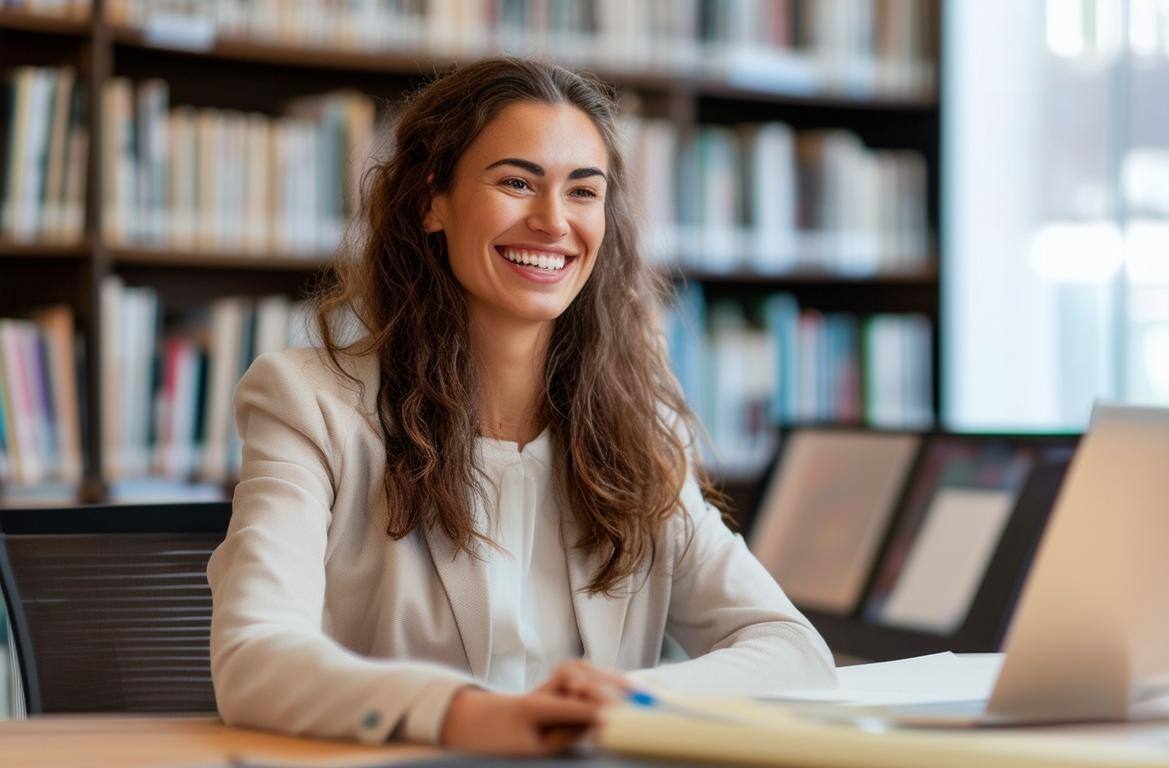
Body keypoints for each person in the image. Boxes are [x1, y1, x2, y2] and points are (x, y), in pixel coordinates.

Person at [207, 57, 836, 756]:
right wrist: (468, 716)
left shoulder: (638, 430)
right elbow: (255, 657)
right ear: (430, 201)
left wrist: (629, 700)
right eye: (516, 182)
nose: (552, 222)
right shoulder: (309, 404)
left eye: (583, 192)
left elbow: (791, 647)